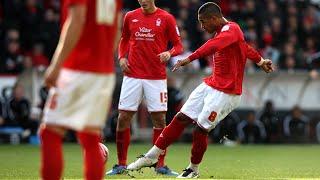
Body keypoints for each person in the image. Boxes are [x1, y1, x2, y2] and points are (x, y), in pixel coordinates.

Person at [126, 2, 274, 178]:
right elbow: (245, 48)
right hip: (211, 84)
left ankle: (193, 169)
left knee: (201, 128)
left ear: (214, 18)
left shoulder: (231, 29)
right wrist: (260, 61)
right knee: (181, 117)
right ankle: (152, 156)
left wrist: (189, 58)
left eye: (204, 22)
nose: (202, 26)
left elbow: (212, 46)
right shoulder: (226, 33)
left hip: (227, 92)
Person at [39, 0, 122, 179]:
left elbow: (77, 20)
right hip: (103, 71)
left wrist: (56, 65)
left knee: (50, 133)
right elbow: (117, 28)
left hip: (77, 67)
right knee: (90, 139)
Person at [106, 0, 183, 176]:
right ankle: (121, 164)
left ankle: (160, 165)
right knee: (123, 117)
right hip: (132, 75)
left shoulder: (166, 18)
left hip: (156, 78)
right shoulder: (130, 16)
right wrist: (121, 57)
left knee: (159, 121)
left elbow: (179, 46)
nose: (142, 1)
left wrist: (169, 53)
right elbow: (124, 39)